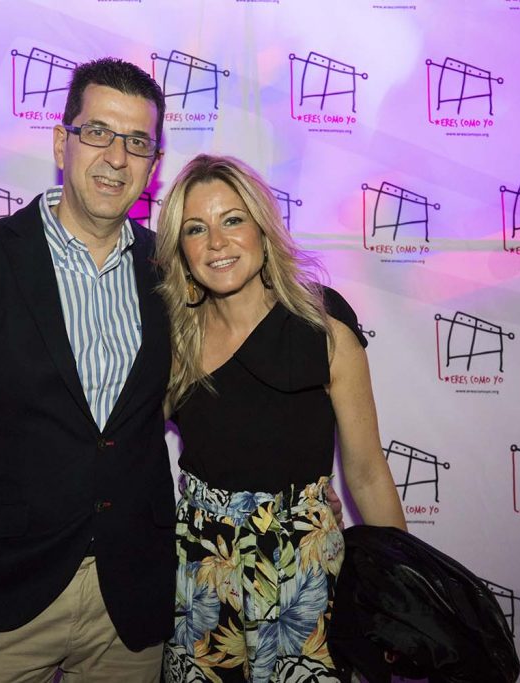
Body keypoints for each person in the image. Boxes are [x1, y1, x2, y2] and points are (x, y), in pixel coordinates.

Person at [0, 58, 175, 682]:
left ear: (153, 164)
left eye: (137, 143)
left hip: (130, 599)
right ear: (60, 142)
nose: (116, 158)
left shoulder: (171, 270)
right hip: (0, 598)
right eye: (97, 132)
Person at [153, 154, 407, 682]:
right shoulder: (175, 339)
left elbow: (366, 474)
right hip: (202, 574)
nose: (216, 242)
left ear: (263, 230)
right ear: (181, 249)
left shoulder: (322, 326)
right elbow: (119, 442)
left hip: (304, 574)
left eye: (232, 220)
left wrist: (397, 597)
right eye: (196, 229)